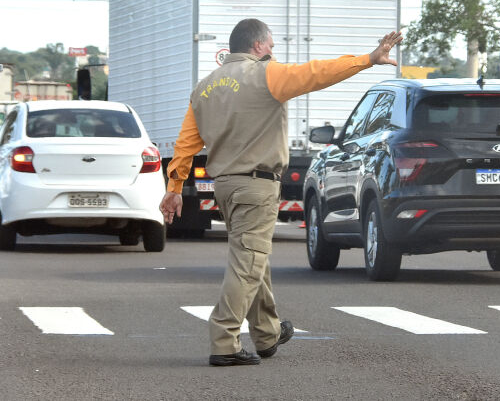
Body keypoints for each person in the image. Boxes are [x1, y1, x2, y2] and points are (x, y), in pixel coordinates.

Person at [159, 19, 403, 366]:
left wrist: (174, 187)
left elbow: (186, 144)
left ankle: (267, 333)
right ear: (258, 46)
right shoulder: (266, 74)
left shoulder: (204, 87)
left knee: (252, 257)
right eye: (270, 45)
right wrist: (367, 59)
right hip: (256, 184)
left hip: (225, 187)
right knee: (248, 263)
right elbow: (317, 73)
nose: (273, 50)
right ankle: (223, 339)